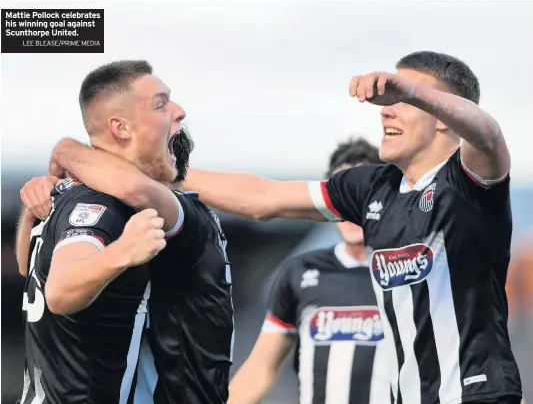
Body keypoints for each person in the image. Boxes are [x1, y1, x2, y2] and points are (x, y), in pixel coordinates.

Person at [182, 51, 523, 404]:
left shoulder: (470, 183)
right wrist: (170, 175)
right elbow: (263, 197)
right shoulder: (373, 187)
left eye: (401, 101)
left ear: (441, 117)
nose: (386, 109)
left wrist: (414, 92)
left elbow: (489, 133)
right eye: (391, 100)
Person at [19, 60, 234, 404]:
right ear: (121, 127)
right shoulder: (111, 205)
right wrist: (122, 252)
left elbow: (26, 265)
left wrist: (64, 153)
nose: (178, 113)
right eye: (161, 104)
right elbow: (58, 292)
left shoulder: (67, 194)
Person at [228, 138, 392, 404]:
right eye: (342, 196)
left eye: (359, 195)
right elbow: (260, 370)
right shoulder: (301, 273)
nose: (350, 209)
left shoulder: (410, 273)